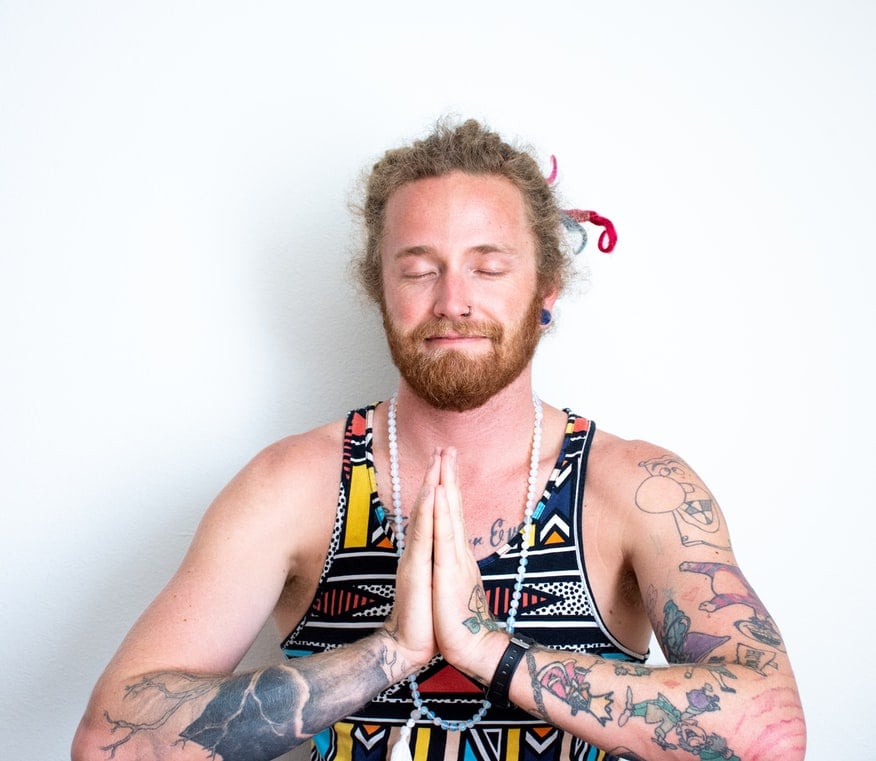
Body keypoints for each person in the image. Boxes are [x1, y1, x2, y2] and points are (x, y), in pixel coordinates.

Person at [72, 119, 806, 761]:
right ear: (380, 289)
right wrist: (386, 653)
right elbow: (108, 741)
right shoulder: (291, 486)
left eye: (489, 267)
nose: (454, 301)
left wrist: (488, 649)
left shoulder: (640, 489)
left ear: (546, 287)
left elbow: (771, 735)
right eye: (420, 269)